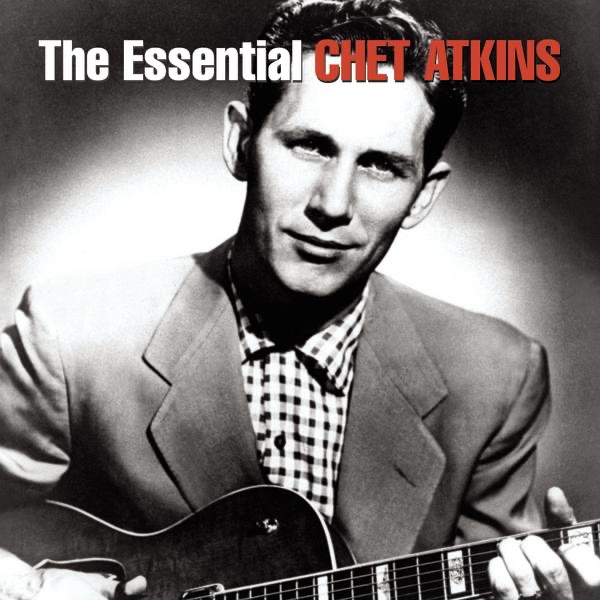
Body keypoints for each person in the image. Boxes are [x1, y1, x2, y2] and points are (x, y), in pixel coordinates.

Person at [0, 1, 598, 599]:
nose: (333, 204)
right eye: (310, 146)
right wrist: (27, 586)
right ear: (241, 142)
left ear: (423, 195)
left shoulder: (496, 379)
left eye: (381, 166)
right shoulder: (71, 338)